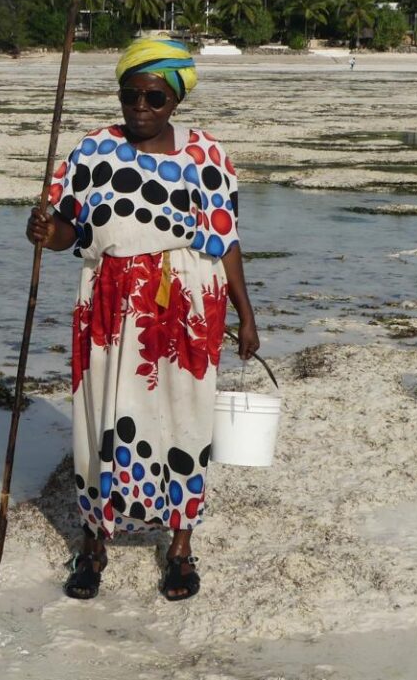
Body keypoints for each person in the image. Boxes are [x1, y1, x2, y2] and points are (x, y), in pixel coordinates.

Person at [26, 39, 259, 602]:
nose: (140, 107)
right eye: (130, 95)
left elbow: (225, 241)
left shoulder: (207, 155)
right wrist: (42, 231)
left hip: (189, 303)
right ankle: (93, 543)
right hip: (109, 301)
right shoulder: (92, 152)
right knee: (100, 419)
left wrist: (247, 317)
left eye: (153, 96)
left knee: (187, 417)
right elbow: (68, 234)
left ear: (175, 99)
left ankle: (179, 546)